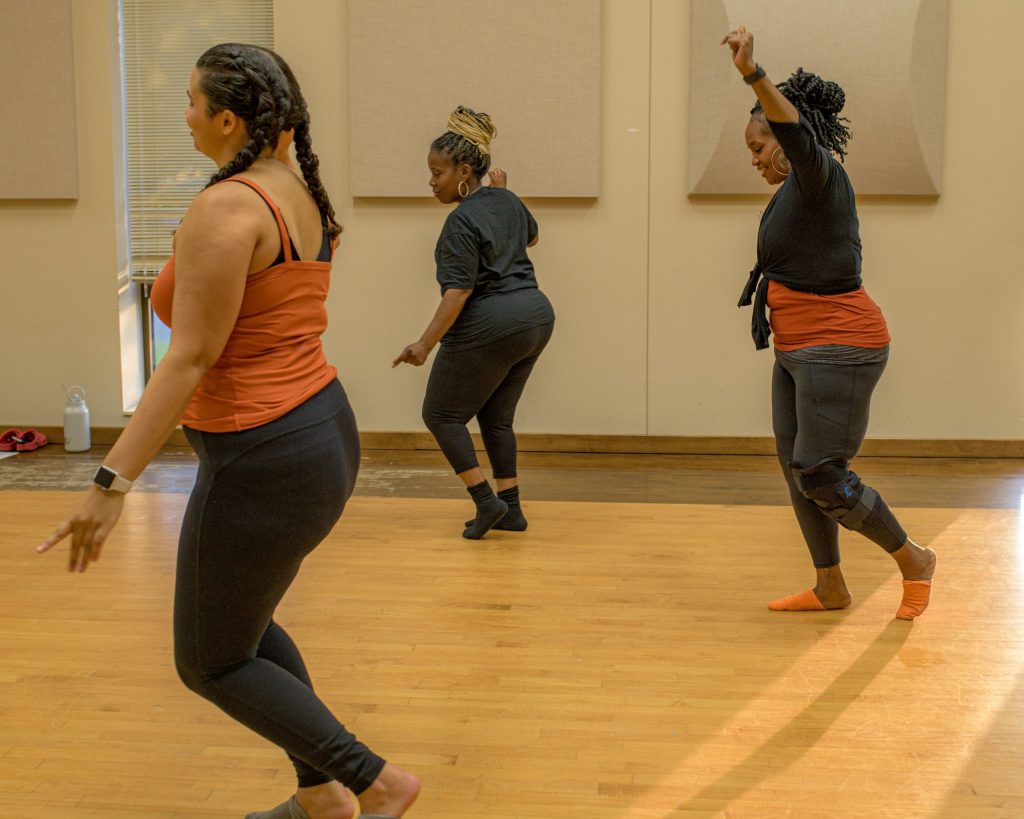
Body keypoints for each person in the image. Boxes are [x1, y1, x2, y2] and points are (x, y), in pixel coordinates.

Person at [37, 43, 420, 819]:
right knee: (243, 628)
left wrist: (110, 482)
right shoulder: (296, 191)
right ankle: (323, 798)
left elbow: (189, 358)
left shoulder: (229, 207)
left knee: (209, 660)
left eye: (188, 101)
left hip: (263, 455)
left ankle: (374, 782)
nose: (180, 116)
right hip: (315, 433)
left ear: (227, 117)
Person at [721, 26, 936, 619]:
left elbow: (791, 128)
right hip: (797, 350)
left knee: (821, 473)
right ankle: (831, 586)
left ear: (789, 142)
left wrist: (752, 73)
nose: (756, 159)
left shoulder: (818, 175)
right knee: (798, 473)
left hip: (839, 347)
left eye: (759, 147)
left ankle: (914, 559)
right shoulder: (794, 188)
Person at [393, 106, 556, 540]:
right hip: (536, 316)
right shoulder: (505, 198)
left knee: (441, 414)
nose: (431, 182)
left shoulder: (459, 222)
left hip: (495, 319)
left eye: (437, 173)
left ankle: (487, 501)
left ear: (465, 171)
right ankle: (512, 509)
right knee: (496, 417)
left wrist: (425, 344)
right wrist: (504, 193)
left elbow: (458, 292)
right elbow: (532, 236)